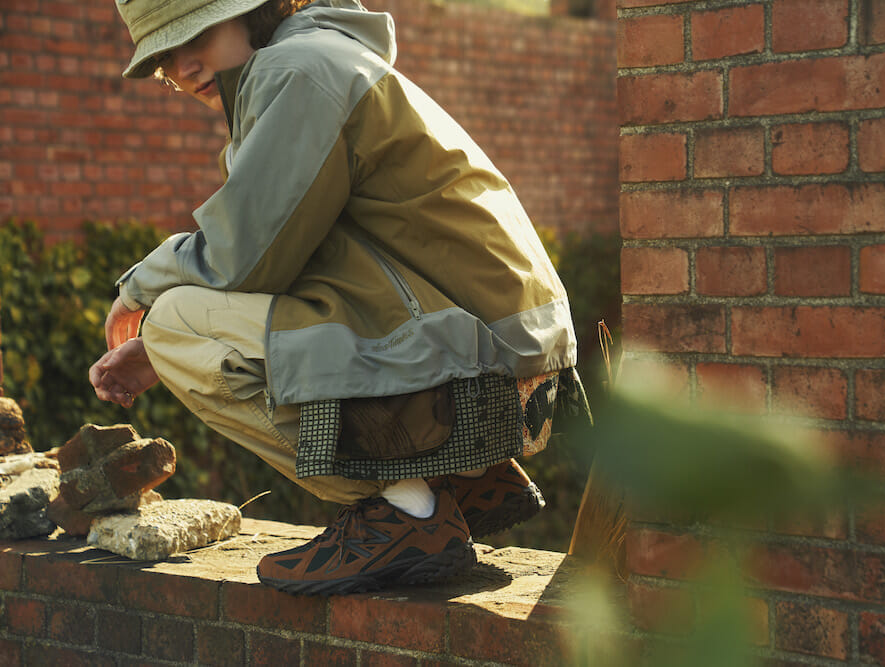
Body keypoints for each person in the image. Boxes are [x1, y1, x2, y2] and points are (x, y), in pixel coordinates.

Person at [90, 0, 587, 595]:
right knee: (174, 331)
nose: (185, 65)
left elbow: (244, 257)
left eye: (194, 33)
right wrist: (164, 351)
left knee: (173, 319)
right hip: (505, 345)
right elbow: (299, 255)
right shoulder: (322, 57)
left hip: (483, 357)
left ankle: (409, 511)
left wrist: (141, 289)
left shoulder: (296, 70)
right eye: (164, 58)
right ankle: (464, 477)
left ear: (253, 8)